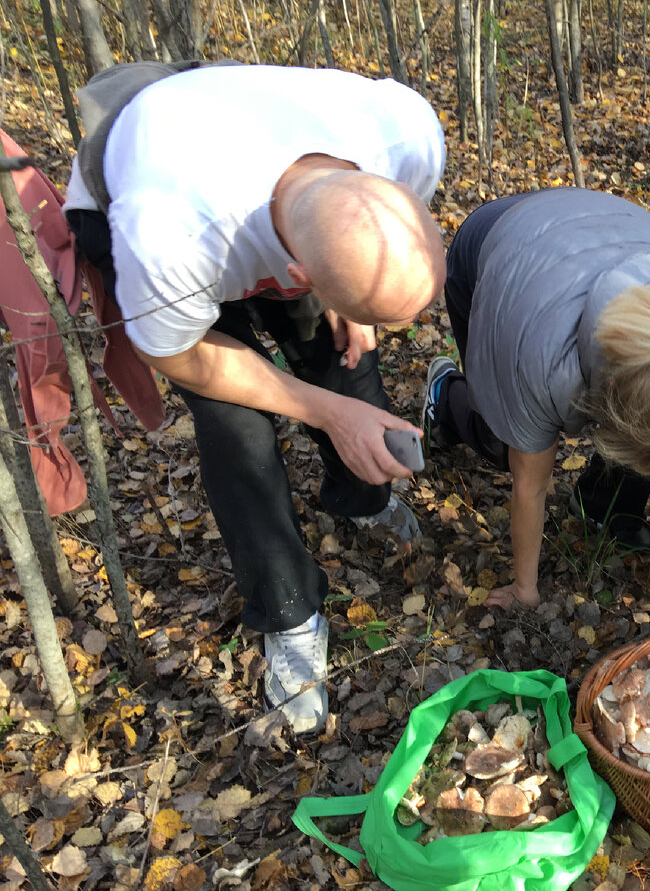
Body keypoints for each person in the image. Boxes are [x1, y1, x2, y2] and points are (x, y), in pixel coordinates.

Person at [64, 64, 447, 733]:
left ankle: (363, 501)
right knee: (237, 428)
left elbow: (367, 235)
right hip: (140, 203)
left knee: (344, 359)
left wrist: (357, 302)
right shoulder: (169, 235)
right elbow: (177, 354)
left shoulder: (405, 133)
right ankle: (290, 613)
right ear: (293, 275)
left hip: (282, 205)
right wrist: (324, 410)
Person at [421, 188, 650, 608]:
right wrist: (524, 588)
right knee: (501, 441)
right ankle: (446, 395)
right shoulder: (538, 361)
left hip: (598, 226)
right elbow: (531, 483)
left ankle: (602, 505)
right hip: (495, 246)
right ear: (611, 387)